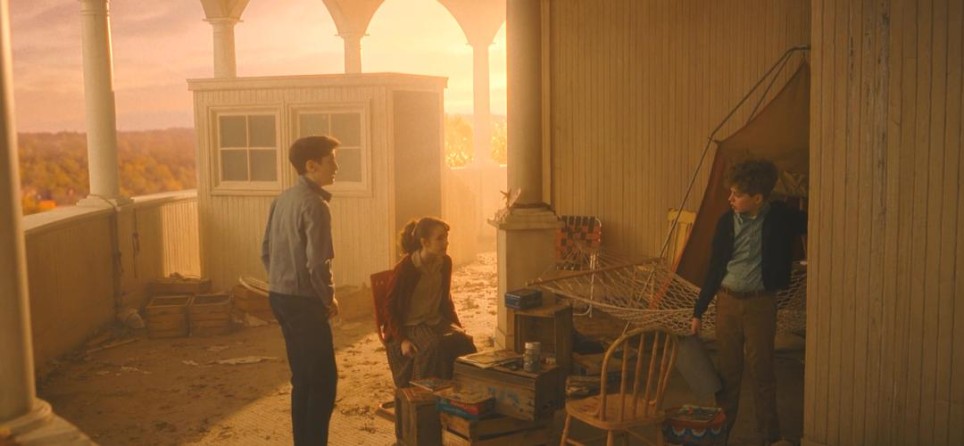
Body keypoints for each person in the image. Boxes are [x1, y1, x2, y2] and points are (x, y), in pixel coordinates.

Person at [690, 159, 806, 446]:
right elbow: (715, 267)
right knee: (727, 374)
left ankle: (770, 436)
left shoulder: (780, 218)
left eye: (737, 194)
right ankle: (720, 436)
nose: (730, 199)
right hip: (727, 303)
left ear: (758, 198)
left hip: (760, 305)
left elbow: (816, 218)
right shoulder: (726, 222)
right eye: (730, 192)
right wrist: (698, 311)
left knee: (762, 371)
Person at [261, 136, 340, 445]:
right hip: (304, 302)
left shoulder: (282, 199)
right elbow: (318, 264)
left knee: (303, 379)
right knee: (323, 381)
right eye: (331, 160)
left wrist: (281, 281)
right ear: (311, 165)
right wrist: (328, 298)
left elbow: (265, 251)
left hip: (279, 296)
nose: (336, 166)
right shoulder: (315, 205)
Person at [382, 217, 477, 388]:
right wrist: (402, 340)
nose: (446, 242)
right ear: (424, 242)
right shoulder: (406, 268)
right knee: (433, 346)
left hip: (434, 319)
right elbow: (390, 308)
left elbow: (445, 300)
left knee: (464, 341)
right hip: (410, 324)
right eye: (440, 238)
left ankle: (461, 392)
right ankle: (424, 393)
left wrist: (457, 326)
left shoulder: (445, 262)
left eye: (446, 237)